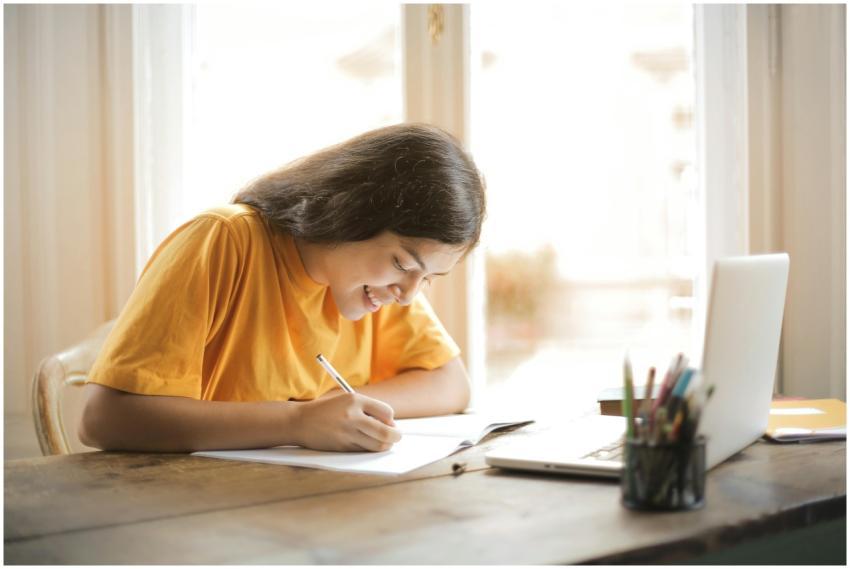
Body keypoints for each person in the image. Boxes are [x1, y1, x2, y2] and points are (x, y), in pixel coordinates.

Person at [79, 123, 486, 454]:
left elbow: (451, 383)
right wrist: (298, 422)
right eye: (402, 264)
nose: (409, 295)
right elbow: (103, 419)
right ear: (350, 212)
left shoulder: (379, 286)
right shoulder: (222, 240)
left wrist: (341, 409)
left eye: (427, 278)